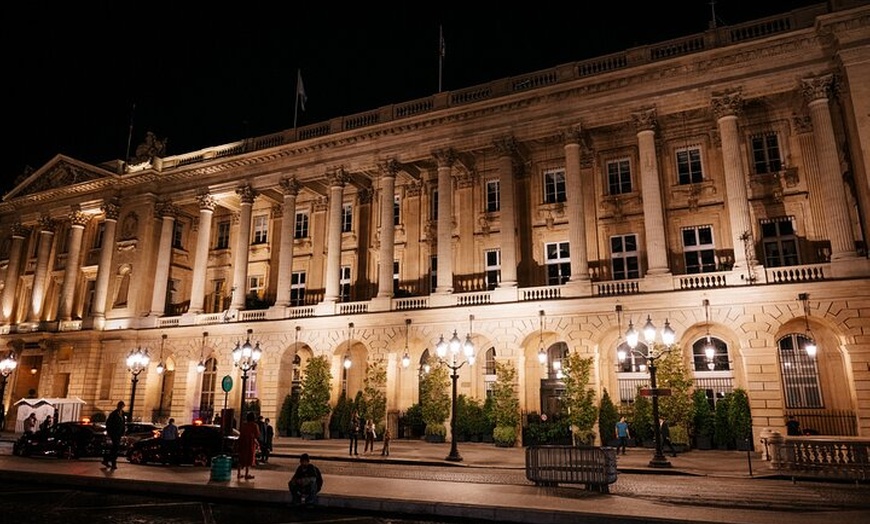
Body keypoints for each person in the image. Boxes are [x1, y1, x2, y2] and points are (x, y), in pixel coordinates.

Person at [237, 411, 261, 480]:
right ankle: (246, 474)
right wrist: (257, 443)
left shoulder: (244, 425)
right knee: (249, 458)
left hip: (242, 442)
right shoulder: (254, 425)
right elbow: (257, 435)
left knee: (241, 458)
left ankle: (239, 474)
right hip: (250, 443)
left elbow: (240, 433)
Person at [103, 401, 126, 469]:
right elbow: (108, 423)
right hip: (114, 433)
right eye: (120, 406)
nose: (121, 407)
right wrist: (110, 432)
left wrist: (123, 431)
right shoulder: (113, 413)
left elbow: (123, 423)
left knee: (115, 448)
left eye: (122, 406)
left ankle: (107, 460)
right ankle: (113, 462)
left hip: (119, 433)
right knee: (116, 447)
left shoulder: (122, 413)